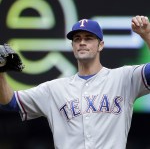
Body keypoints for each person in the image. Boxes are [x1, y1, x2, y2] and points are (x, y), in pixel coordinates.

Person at [0, 15, 150, 149]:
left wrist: (147, 35)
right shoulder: (54, 89)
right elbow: (10, 103)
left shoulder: (123, 77)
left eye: (88, 38)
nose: (82, 42)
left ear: (101, 45)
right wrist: (1, 71)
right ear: (72, 46)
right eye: (77, 39)